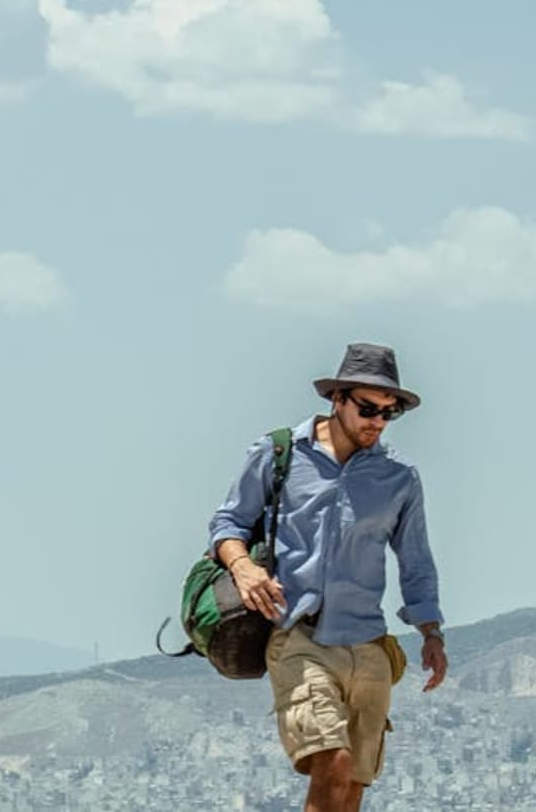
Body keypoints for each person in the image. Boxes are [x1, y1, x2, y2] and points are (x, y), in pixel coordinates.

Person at [209, 342, 448, 812]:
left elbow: (416, 561)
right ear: (336, 400)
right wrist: (244, 567)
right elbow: (227, 525)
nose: (376, 421)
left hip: (368, 644)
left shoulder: (399, 477)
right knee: (332, 763)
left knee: (353, 785)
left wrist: (431, 633)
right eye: (366, 408)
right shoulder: (278, 455)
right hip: (299, 636)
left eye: (389, 412)